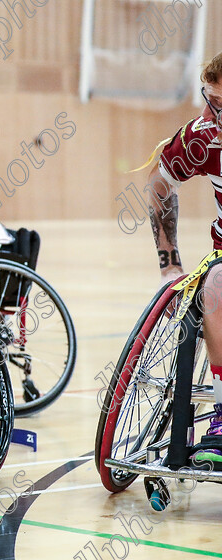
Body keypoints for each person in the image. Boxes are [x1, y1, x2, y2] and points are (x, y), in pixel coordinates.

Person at [146, 52, 222, 462]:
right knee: (214, 284)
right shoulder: (202, 136)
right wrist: (169, 262)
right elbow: (159, 187)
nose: (217, 116)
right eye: (211, 101)